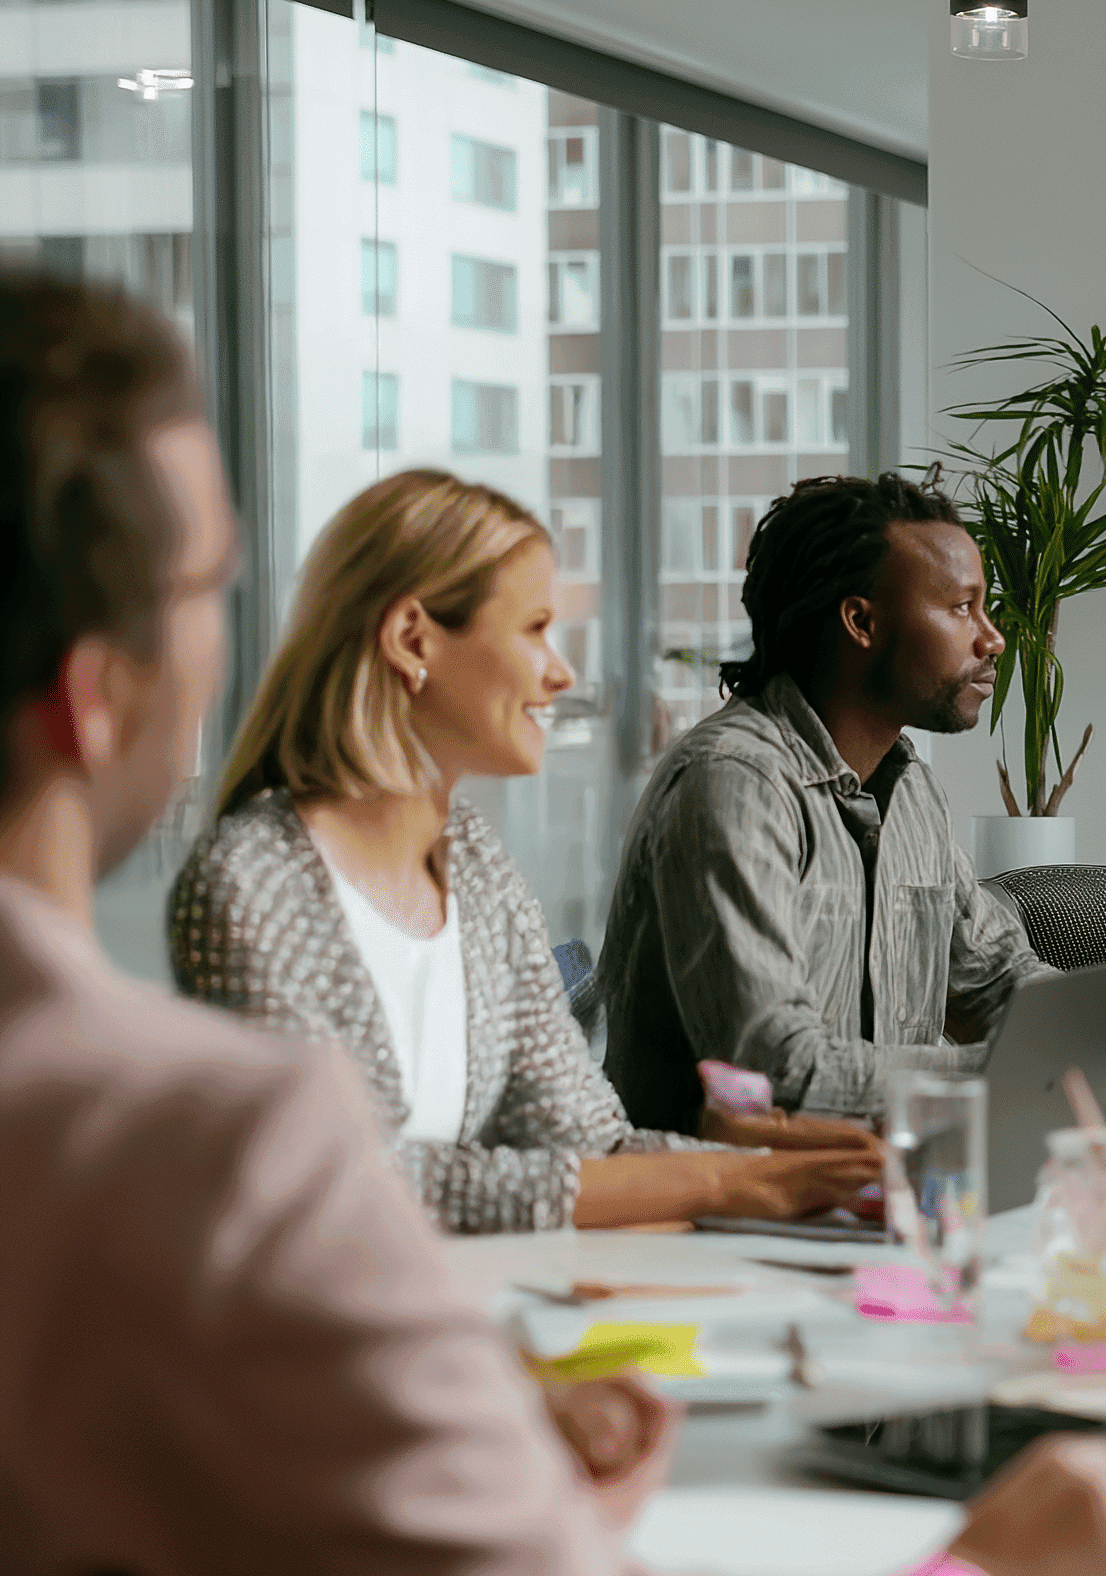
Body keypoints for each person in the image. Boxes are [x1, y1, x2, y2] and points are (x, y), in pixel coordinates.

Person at [0, 271, 1106, 1576]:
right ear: (94, 695)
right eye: (204, 591)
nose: (567, 671)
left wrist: (473, 1469)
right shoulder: (205, 1134)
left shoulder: (454, 875)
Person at [169, 468, 881, 1235]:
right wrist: (718, 1181)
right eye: (536, 628)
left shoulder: (472, 864)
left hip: (477, 1313)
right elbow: (342, 1181)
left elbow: (589, 1141)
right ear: (414, 639)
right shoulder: (253, 881)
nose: (562, 672)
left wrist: (793, 1173)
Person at [601, 473, 1106, 1131]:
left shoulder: (910, 789)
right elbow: (776, 1073)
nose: (992, 638)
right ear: (861, 621)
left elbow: (995, 981)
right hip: (716, 1208)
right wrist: (1097, 1057)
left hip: (880, 1184)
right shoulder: (733, 785)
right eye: (962, 608)